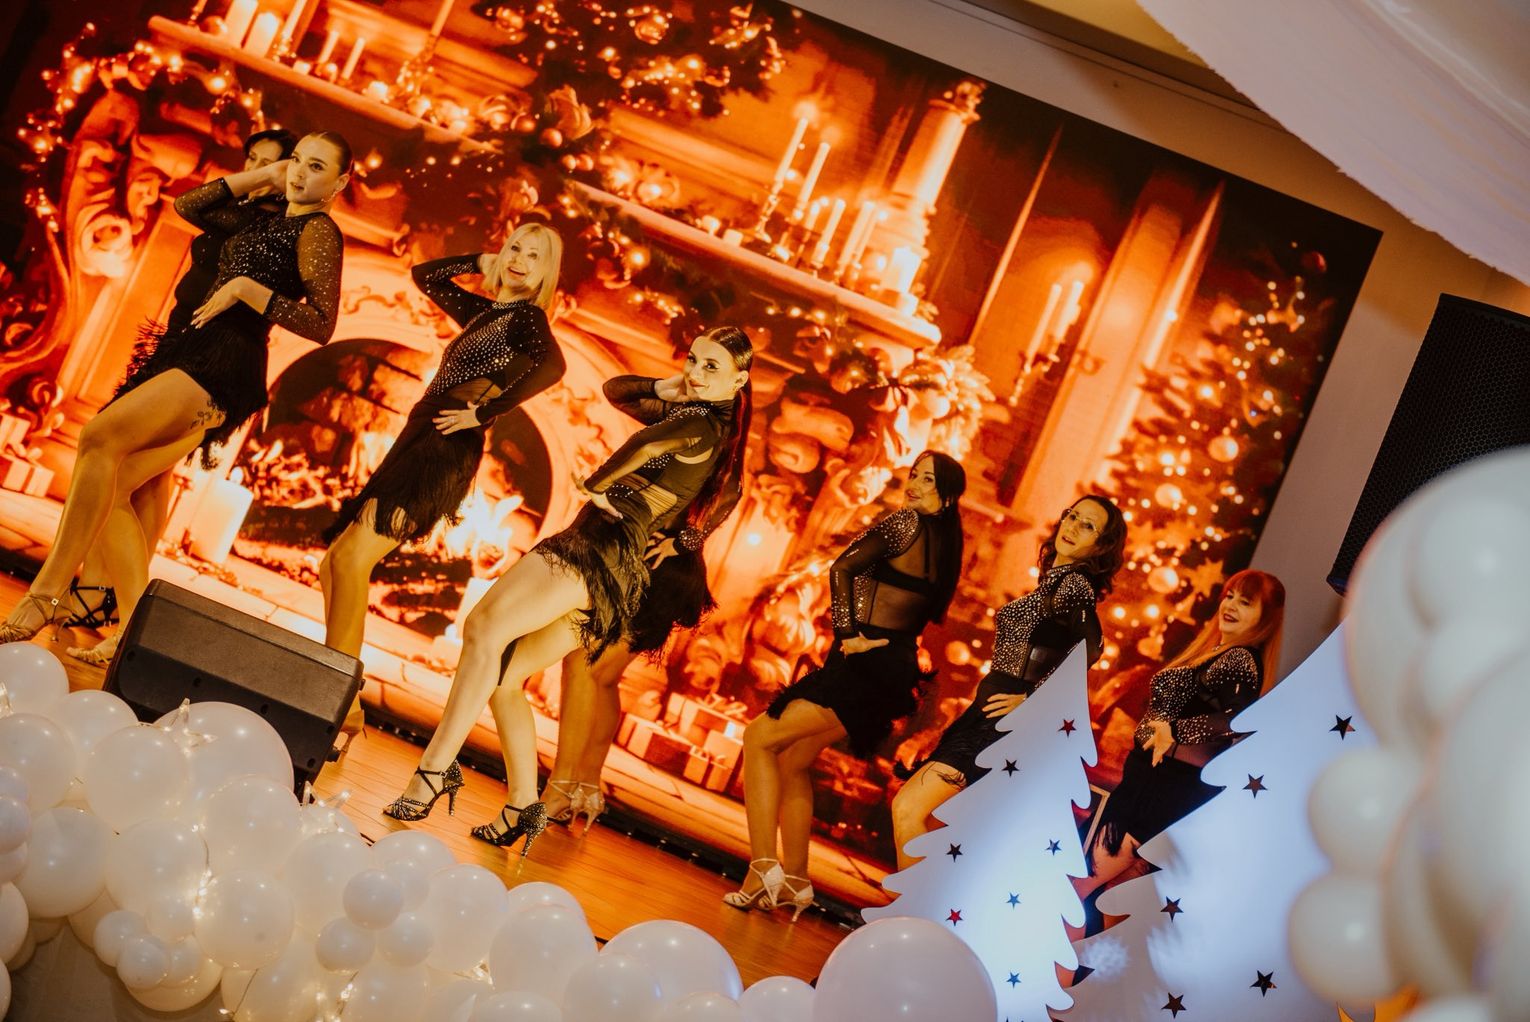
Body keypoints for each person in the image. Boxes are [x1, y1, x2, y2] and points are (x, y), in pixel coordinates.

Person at [381, 328, 754, 862]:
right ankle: (522, 804)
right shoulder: (703, 422)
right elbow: (616, 391)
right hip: (614, 570)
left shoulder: (698, 423)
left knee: (482, 629)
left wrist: (598, 483)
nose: (696, 372)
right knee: (505, 679)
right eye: (693, 359)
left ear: (739, 380)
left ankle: (432, 773)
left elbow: (644, 445)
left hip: (597, 548)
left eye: (711, 367)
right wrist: (669, 386)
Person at [1, 132, 350, 658]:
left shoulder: (319, 230)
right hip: (190, 347)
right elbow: (188, 205)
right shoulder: (265, 217)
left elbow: (322, 323)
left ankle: (46, 594)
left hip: (225, 360)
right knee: (115, 479)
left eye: (317, 166)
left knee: (97, 438)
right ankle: (128, 625)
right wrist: (262, 175)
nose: (301, 172)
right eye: (297, 160)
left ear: (340, 182)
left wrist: (249, 291)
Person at [320, 223, 565, 752]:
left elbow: (553, 366)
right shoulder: (487, 313)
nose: (520, 260)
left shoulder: (526, 319)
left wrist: (485, 411)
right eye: (515, 248)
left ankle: (334, 694)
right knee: (334, 561)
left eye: (534, 256)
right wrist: (481, 258)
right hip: (420, 434)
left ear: (547, 272)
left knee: (352, 561)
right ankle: (346, 699)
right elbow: (425, 275)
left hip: (444, 447)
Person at [62, 128, 300, 650]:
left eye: (270, 163)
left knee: (117, 471)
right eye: (251, 159)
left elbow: (189, 204)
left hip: (214, 361)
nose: (255, 170)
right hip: (177, 344)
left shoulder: (276, 228)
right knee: (147, 479)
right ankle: (99, 601)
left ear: (292, 172)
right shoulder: (237, 212)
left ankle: (116, 609)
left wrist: (265, 180)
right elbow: (189, 204)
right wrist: (256, 177)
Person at [727, 452, 967, 920]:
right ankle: (796, 880)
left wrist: (848, 633)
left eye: (927, 480)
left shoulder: (905, 523)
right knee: (794, 761)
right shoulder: (946, 542)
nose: (914, 484)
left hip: (864, 664)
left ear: (946, 496)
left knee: (758, 738)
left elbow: (840, 568)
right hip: (892, 669)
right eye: (914, 475)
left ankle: (762, 869)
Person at [889, 495, 1126, 870]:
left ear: (1101, 546)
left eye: (1088, 526)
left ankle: (913, 903)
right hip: (987, 713)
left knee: (909, 808)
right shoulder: (1054, 583)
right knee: (936, 826)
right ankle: (927, 902)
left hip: (1003, 723)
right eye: (1072, 515)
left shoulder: (1074, 585)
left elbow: (1091, 647)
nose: (1073, 526)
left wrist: (1033, 698)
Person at [537, 463, 742, 830]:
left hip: (659, 569)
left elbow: (719, 507)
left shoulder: (715, 445)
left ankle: (564, 785)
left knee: (585, 665)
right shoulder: (706, 445)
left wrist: (679, 542)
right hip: (647, 560)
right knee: (602, 677)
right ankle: (586, 786)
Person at [1078, 569, 1285, 910]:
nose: (1231, 605)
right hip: (1147, 786)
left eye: (1245, 602)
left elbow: (1236, 720)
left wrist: (1174, 731)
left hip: (1158, 793)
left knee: (1083, 885)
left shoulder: (1240, 658)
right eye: (1230, 596)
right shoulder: (1217, 651)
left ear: (1266, 617)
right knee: (1109, 902)